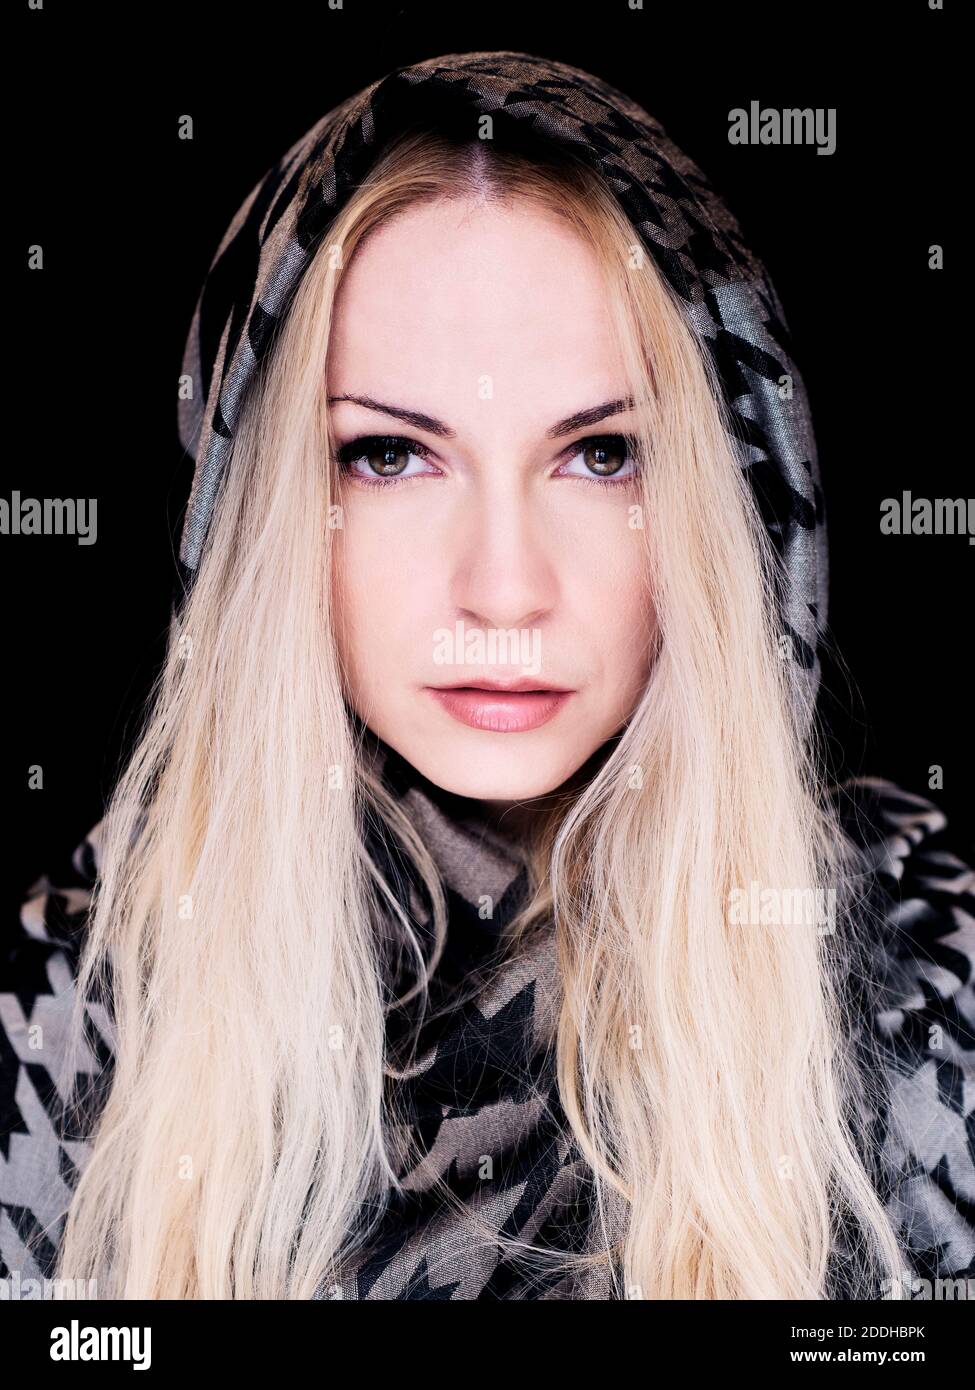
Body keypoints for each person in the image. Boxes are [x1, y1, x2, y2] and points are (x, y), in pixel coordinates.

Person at [2, 51, 972, 1301]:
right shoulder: (75, 1010)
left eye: (604, 454)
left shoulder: (922, 976)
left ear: (738, 506)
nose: (505, 587)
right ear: (258, 508)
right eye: (392, 455)